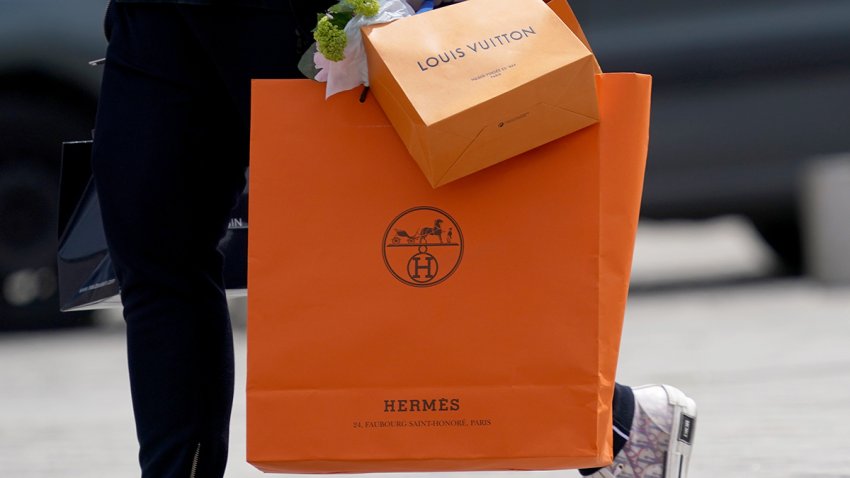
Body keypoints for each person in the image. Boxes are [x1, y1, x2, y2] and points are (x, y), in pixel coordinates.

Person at [90, 0, 696, 477]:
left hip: (304, 16)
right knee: (154, 261)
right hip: (155, 19)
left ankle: (612, 423)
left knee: (396, 241)